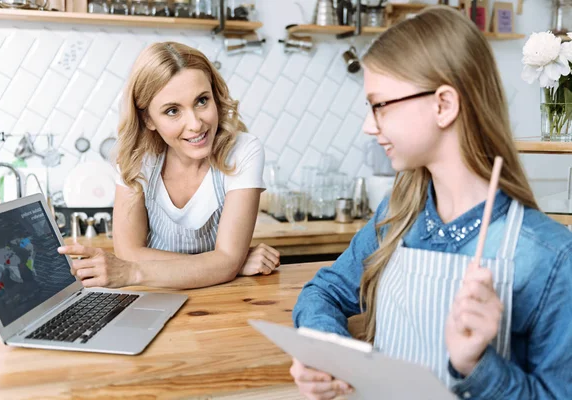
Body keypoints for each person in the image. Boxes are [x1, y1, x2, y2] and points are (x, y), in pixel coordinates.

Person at [290, 6, 572, 400]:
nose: (369, 125)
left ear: (444, 105)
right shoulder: (397, 215)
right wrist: (330, 355)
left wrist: (476, 367)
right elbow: (323, 292)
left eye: (380, 105)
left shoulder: (551, 257)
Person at [58, 42, 280, 289]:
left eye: (202, 101)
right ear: (148, 119)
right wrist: (223, 265)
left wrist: (227, 264)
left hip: (219, 303)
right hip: (153, 297)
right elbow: (127, 253)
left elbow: (225, 263)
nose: (195, 124)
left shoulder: (242, 151)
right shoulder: (137, 157)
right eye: (173, 111)